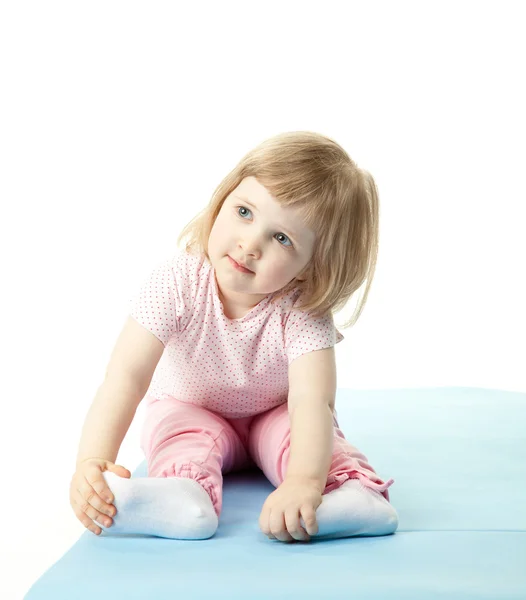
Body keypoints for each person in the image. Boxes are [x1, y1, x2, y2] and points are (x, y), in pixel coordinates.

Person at [69, 131, 399, 543]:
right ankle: (184, 499)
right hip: (190, 407)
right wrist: (94, 460)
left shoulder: (300, 307)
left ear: (310, 267)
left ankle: (354, 498)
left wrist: (303, 483)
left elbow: (312, 401)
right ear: (223, 198)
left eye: (281, 238)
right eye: (244, 212)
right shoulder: (178, 281)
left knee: (309, 440)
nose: (249, 244)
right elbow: (125, 377)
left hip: (273, 414)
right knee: (181, 436)